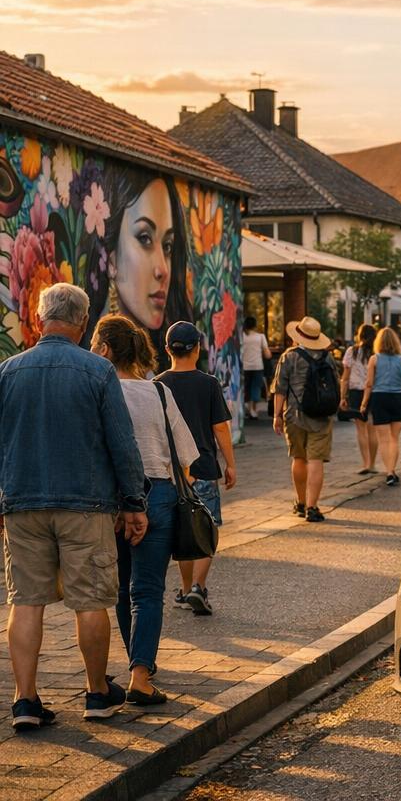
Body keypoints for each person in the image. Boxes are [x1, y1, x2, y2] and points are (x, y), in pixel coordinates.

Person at [1, 284, 146, 730]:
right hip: (86, 504)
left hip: (22, 503)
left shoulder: (7, 371)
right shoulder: (98, 371)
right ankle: (97, 693)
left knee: (25, 601)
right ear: (83, 323)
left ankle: (25, 701)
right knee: (90, 601)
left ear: (40, 318)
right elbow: (121, 443)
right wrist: (135, 502)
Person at [89, 314, 198, 707]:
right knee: (148, 590)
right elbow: (186, 456)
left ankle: (135, 660)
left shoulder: (98, 391)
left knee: (120, 588)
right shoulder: (159, 392)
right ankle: (140, 674)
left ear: (104, 348)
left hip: (111, 500)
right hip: (160, 494)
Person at [156, 321, 236, 617]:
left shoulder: (158, 385)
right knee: (206, 527)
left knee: (182, 532)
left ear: (167, 350)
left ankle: (185, 587)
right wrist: (230, 464)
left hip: (171, 472)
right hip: (202, 467)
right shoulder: (208, 383)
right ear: (198, 349)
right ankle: (198, 588)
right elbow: (221, 429)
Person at [84, 169, 193, 364]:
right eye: (145, 238)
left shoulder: (159, 363)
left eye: (168, 246)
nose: (163, 270)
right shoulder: (92, 364)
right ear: (111, 259)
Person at [272, 315, 340, 523]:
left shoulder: (289, 356)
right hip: (321, 416)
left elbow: (280, 389)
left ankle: (301, 503)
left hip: (294, 415)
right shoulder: (327, 358)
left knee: (299, 458)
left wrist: (276, 416)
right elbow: (336, 384)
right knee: (316, 460)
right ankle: (313, 507)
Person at [360, 327, 401, 486]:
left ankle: (389, 472)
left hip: (379, 397)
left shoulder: (374, 359)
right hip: (397, 397)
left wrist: (363, 403)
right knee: (394, 439)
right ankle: (392, 471)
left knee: (383, 440)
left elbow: (369, 384)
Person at [341, 323, 378, 476]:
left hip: (356, 392)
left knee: (361, 430)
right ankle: (373, 464)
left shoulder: (352, 351)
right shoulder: (377, 353)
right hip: (374, 392)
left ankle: (365, 463)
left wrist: (342, 396)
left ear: (360, 336)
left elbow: (345, 377)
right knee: (372, 429)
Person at [241, 316, 271, 420]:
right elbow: (268, 355)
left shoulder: (242, 337)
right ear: (255, 325)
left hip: (244, 367)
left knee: (246, 388)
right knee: (256, 388)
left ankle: (249, 409)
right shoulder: (260, 337)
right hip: (257, 366)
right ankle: (254, 410)